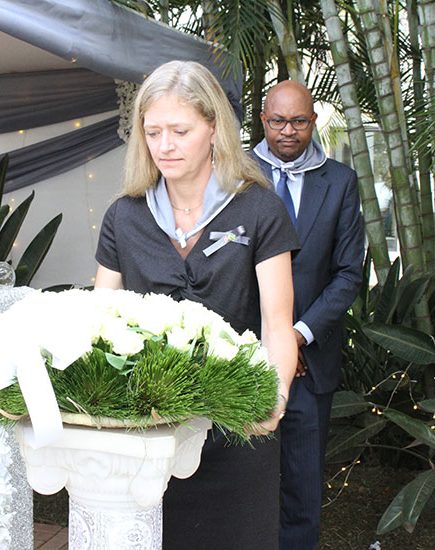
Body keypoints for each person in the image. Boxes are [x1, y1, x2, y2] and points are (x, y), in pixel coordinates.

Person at [94, 60, 299, 550]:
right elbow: (99, 322)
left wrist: (276, 399)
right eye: (153, 132)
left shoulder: (259, 209)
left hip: (238, 431)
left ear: (213, 128)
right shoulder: (124, 216)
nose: (165, 145)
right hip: (148, 437)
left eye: (180, 131)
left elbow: (277, 324)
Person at [252, 80, 364, 549]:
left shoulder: (340, 182)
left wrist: (296, 337)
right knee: (244, 483)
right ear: (263, 121)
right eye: (278, 121)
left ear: (314, 121)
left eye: (298, 121)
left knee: (301, 488)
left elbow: (348, 274)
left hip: (311, 361)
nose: (288, 131)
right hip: (246, 357)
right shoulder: (235, 175)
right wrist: (269, 342)